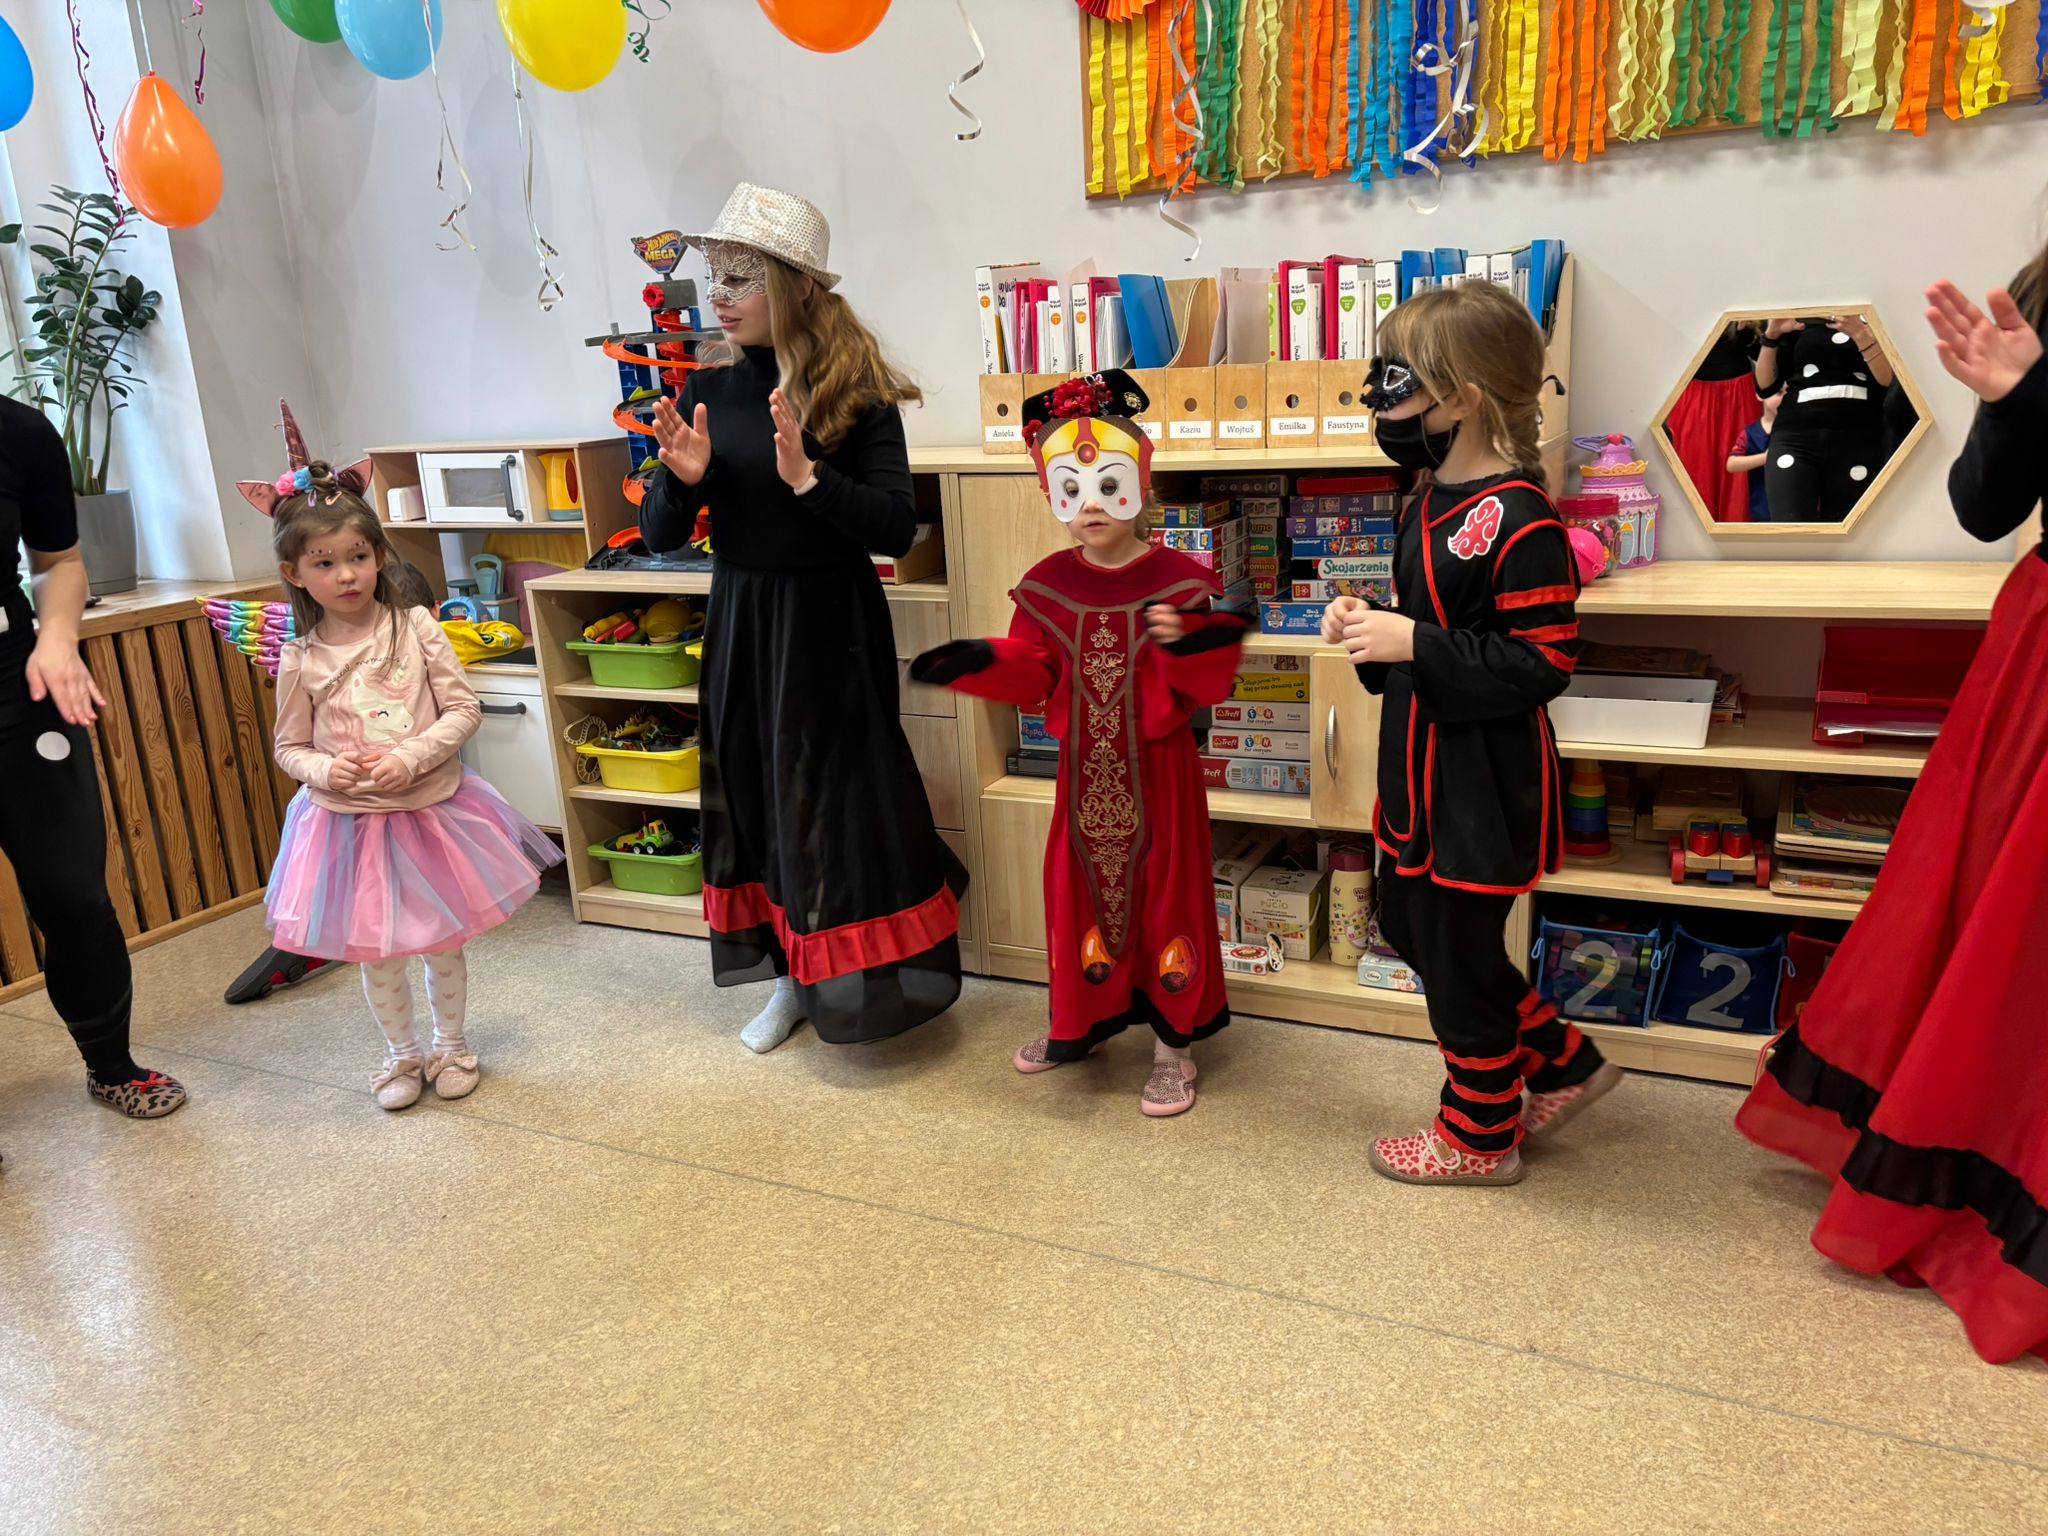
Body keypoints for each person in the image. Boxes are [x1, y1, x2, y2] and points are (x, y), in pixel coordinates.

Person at [1736, 262, 2048, 1364]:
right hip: (2038, 647)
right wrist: (2012, 404)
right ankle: (1948, 1139)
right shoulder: (2036, 297)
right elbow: (1983, 507)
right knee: (1991, 915)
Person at [638, 182, 966, 1052]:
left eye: (741, 278)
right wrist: (684, 481)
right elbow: (660, 536)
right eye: (716, 277)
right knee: (758, 795)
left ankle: (854, 978)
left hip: (830, 624)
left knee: (833, 803)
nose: (720, 297)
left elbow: (894, 526)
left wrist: (811, 481)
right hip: (743, 620)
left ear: (794, 285)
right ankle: (790, 977)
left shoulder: (856, 390)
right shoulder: (710, 387)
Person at [1321, 282, 1620, 1187]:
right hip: (1415, 770)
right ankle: (1561, 1060)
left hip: (1481, 783)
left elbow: (1543, 662)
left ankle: (1479, 1136)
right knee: (1411, 925)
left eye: (1397, 382)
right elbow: (1427, 630)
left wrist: (1415, 641)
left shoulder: (1521, 517)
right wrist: (1370, 629)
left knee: (1454, 958)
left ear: (1464, 398)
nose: (1380, 402)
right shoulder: (1422, 499)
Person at [910, 372, 1251, 1116]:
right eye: (1071, 490)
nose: (1090, 505)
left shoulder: (1182, 581)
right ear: (1053, 495)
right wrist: (976, 661)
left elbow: (1210, 681)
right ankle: (1081, 1021)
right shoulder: (1046, 585)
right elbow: (1033, 674)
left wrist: (1196, 636)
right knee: (1077, 898)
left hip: (1161, 781)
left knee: (1168, 899)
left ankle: (1173, 1048)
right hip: (1082, 779)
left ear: (1139, 486)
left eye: (1107, 486)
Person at [246, 421, 562, 1112]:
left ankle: (452, 1044)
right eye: (324, 563)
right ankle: (402, 1054)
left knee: (441, 942)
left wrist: (411, 755)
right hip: (347, 828)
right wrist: (326, 772)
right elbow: (288, 748)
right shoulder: (300, 657)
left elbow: (463, 709)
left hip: (430, 813)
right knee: (377, 951)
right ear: (295, 574)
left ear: (380, 555)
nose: (345, 575)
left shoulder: (415, 627)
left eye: (357, 557)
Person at [0, 395, 186, 1153]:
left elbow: (59, 563)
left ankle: (112, 1065)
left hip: (18, 684)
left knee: (74, 893)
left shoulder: (17, 430)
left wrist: (57, 639)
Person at [1754, 314, 1893, 523]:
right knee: (1790, 523)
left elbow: (1889, 380)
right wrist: (1771, 335)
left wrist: (1860, 334)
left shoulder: (1873, 315)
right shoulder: (1800, 319)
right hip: (1795, 432)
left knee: (1857, 527)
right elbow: (1765, 387)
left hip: (1859, 433)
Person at [1665, 321, 1765, 522]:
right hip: (1694, 394)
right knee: (1695, 465)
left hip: (1739, 396)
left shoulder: (1744, 319)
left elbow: (1764, 356)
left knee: (1740, 469)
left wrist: (1747, 333)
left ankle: (1739, 528)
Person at [1725, 386, 1784, 524]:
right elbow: (1731, 464)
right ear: (1760, 394)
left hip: (1793, 506)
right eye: (1779, 392)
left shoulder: (1795, 429)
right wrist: (1766, 458)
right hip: (1762, 510)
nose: (1784, 397)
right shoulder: (1750, 433)